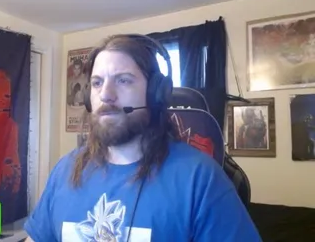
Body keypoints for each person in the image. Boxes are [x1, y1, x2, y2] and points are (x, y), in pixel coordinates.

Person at [24, 35, 261, 242]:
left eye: (123, 80)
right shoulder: (65, 169)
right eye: (97, 83)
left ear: (155, 93)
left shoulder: (200, 179)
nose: (105, 94)